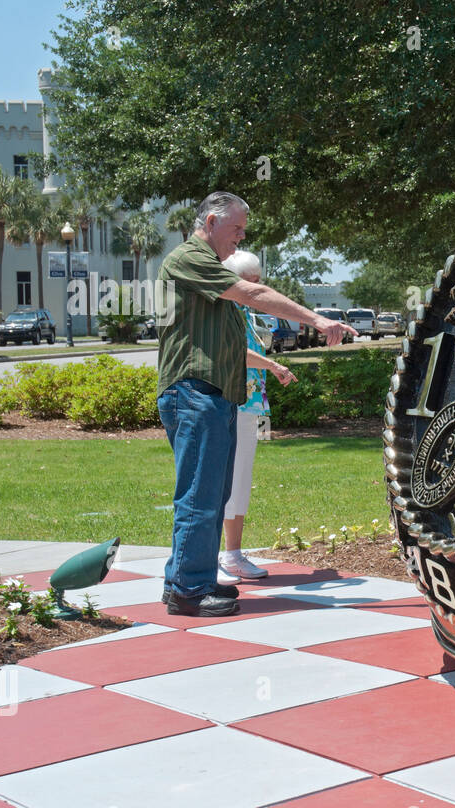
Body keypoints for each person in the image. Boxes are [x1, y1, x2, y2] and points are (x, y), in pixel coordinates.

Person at [155, 191, 344, 616]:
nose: (241, 237)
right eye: (236, 228)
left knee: (212, 494)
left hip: (213, 395)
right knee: (200, 495)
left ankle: (186, 580)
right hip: (193, 392)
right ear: (210, 222)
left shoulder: (206, 271)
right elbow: (251, 293)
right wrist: (314, 319)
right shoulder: (189, 258)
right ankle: (188, 591)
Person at [217, 249, 295, 581]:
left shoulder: (244, 313)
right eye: (250, 283)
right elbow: (236, 352)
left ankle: (233, 554)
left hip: (248, 406)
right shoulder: (223, 310)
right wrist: (273, 365)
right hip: (230, 404)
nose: (256, 290)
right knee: (226, 481)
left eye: (258, 282)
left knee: (241, 480)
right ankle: (221, 555)